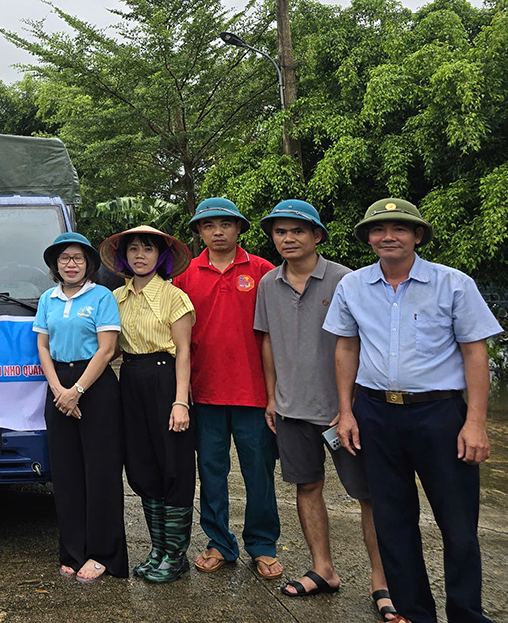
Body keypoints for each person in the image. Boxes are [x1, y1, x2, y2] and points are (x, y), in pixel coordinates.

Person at [324, 198, 502, 623]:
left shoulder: (453, 283)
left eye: (400, 229)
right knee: (392, 521)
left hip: (439, 415)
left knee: (457, 525)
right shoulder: (352, 287)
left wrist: (475, 422)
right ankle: (414, 611)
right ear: (368, 238)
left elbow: (475, 354)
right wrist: (345, 412)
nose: (388, 236)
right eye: (379, 229)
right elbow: (346, 347)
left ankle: (466, 613)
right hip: (375, 414)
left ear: (417, 236)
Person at [254, 200, 395, 620]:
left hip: (343, 412)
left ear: (317, 235)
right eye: (280, 232)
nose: (288, 239)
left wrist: (350, 404)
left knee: (368, 495)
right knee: (306, 486)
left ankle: (382, 579)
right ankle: (323, 569)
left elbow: (364, 343)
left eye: (298, 231)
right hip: (292, 409)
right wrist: (272, 396)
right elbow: (266, 341)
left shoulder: (345, 280)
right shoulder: (267, 284)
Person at [172, 197, 283, 580]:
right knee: (212, 472)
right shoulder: (185, 276)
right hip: (203, 394)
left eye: (225, 224)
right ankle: (219, 542)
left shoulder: (264, 271)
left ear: (239, 228)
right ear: (199, 232)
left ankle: (263, 544)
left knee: (259, 473)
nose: (217, 231)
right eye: (208, 225)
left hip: (254, 394)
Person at [99, 226, 195, 584]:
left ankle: (176, 554)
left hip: (166, 378)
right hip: (132, 380)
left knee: (174, 464)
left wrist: (180, 401)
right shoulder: (115, 299)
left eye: (149, 249)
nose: (141, 255)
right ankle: (157, 550)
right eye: (134, 249)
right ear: (125, 256)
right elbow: (113, 347)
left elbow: (184, 351)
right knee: (141, 465)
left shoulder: (174, 297)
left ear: (161, 256)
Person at [33, 232, 127, 582]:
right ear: (56, 265)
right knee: (67, 473)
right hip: (58, 387)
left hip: (96, 386)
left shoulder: (101, 296)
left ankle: (105, 554)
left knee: (101, 472)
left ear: (89, 264)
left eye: (77, 258)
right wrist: (59, 390)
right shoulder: (48, 298)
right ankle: (72, 550)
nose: (71, 264)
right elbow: (43, 347)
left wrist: (78, 390)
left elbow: (106, 349)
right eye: (64, 258)